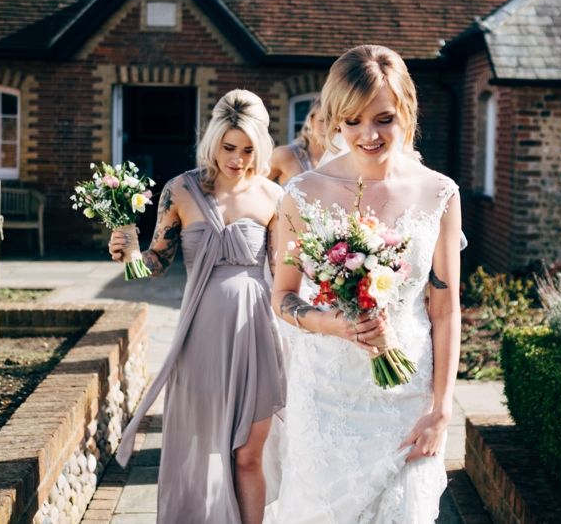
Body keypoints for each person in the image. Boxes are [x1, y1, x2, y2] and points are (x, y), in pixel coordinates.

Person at [270, 45, 462, 523]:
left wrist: (441, 409)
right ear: (335, 120)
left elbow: (445, 309)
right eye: (352, 120)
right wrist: (331, 324)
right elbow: (283, 297)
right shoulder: (302, 194)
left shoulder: (439, 193)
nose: (368, 134)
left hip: (407, 397)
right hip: (326, 393)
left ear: (406, 113)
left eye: (383, 118)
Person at [109, 89, 286, 524]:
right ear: (212, 142)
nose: (238, 159)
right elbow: (155, 264)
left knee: (248, 453)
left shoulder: (273, 196)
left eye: (248, 149)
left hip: (257, 334)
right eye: (229, 147)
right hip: (202, 335)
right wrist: (129, 254)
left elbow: (285, 277)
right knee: (204, 450)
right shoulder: (180, 190)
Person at [269, 98, 327, 185]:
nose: (327, 128)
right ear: (311, 120)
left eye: (333, 122)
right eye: (321, 120)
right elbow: (252, 186)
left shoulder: (344, 160)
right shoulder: (284, 154)